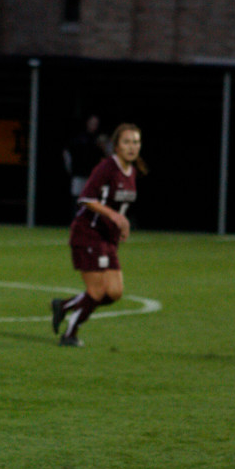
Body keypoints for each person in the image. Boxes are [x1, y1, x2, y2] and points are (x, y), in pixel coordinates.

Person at [52, 123, 146, 347]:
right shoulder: (107, 167)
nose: (132, 146)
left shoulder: (131, 170)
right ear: (116, 145)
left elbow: (118, 206)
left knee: (114, 293)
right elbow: (85, 198)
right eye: (126, 142)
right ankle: (69, 335)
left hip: (108, 239)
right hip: (88, 234)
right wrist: (116, 217)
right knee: (96, 292)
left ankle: (64, 306)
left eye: (136, 142)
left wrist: (121, 223)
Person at [61, 114, 107, 218]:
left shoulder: (100, 139)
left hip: (93, 176)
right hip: (79, 174)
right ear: (87, 123)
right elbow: (67, 154)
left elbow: (106, 158)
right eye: (92, 123)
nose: (94, 126)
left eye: (96, 124)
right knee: (77, 199)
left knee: (93, 200)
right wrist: (71, 170)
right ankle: (76, 221)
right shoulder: (78, 138)